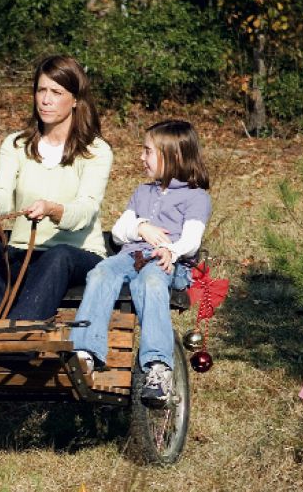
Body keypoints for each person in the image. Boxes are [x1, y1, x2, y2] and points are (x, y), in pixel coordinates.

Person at [69, 119, 211, 407]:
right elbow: (121, 232)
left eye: (148, 151)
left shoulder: (196, 197)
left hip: (172, 264)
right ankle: (85, 351)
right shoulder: (143, 192)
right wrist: (142, 227)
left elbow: (192, 240)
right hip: (130, 257)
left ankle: (158, 366)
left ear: (174, 157)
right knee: (101, 272)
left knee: (151, 280)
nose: (141, 157)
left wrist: (171, 250)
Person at [0, 55, 113, 320]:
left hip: (77, 255)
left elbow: (86, 209)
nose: (46, 100)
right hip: (23, 252)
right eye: (41, 90)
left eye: (56, 92)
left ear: (76, 99)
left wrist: (53, 209)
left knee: (58, 255)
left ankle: (19, 339)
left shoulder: (96, 151)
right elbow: (2, 192)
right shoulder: (15, 145)